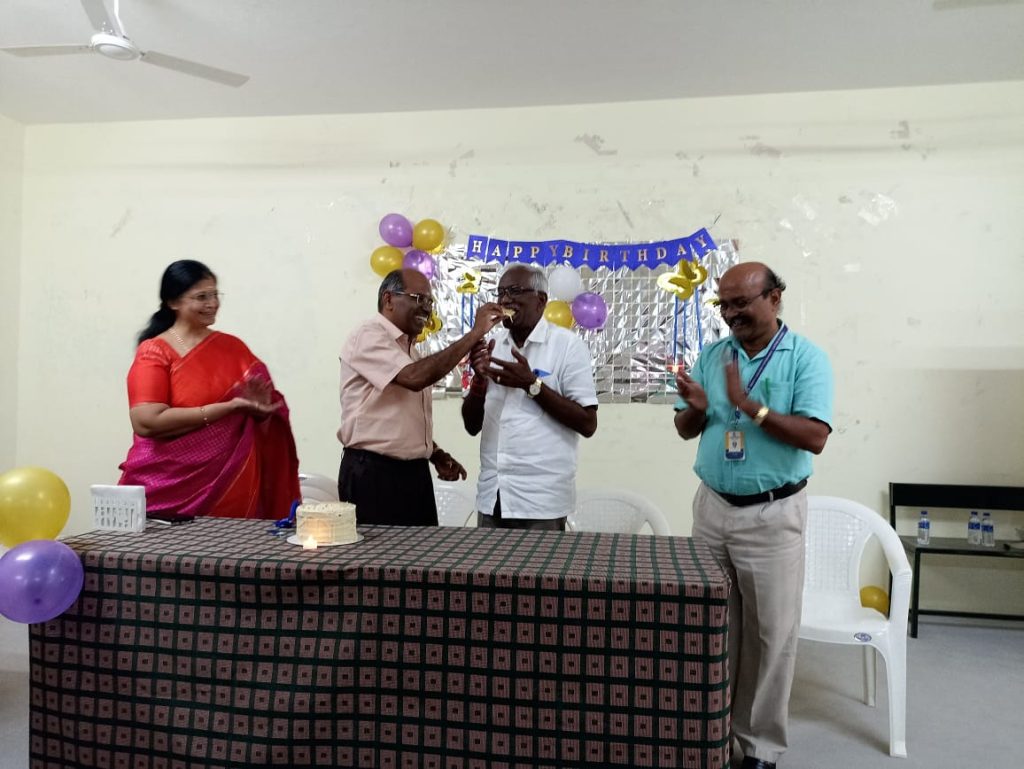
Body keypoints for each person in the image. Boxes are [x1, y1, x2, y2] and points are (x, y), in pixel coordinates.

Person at [673, 262, 833, 769]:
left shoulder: (805, 358)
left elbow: (815, 437)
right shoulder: (713, 355)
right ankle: (712, 732)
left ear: (775, 298)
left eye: (741, 302)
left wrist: (752, 407)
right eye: (723, 304)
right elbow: (685, 428)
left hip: (772, 514)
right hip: (712, 509)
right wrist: (698, 407)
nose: (730, 313)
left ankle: (760, 746)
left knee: (770, 636)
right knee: (712, 628)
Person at [119, 260, 300, 519]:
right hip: (163, 489)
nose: (212, 303)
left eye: (215, 295)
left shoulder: (233, 348)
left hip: (228, 484)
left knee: (229, 545)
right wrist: (227, 408)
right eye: (201, 297)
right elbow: (146, 421)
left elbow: (265, 420)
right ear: (173, 302)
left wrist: (262, 413)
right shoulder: (155, 351)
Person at [338, 268, 505, 526]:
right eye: (419, 298)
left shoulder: (410, 352)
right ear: (388, 299)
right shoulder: (368, 335)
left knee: (422, 552)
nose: (426, 308)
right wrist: (474, 334)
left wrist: (434, 453)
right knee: (378, 553)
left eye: (429, 301)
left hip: (414, 474)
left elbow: (399, 418)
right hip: (373, 474)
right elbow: (415, 378)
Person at [462, 264, 598, 531]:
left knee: (541, 562)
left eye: (514, 291)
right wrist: (478, 381)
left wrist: (532, 385)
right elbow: (471, 425)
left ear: (541, 300)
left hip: (542, 501)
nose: (505, 300)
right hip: (493, 495)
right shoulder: (492, 346)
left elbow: (587, 423)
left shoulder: (567, 346)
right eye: (501, 293)